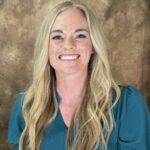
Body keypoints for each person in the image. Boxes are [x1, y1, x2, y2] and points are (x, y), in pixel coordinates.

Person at [8, 1, 150, 150]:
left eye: (80, 35)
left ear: (93, 45)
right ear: (46, 47)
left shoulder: (127, 104)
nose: (68, 44)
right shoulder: (27, 106)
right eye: (57, 37)